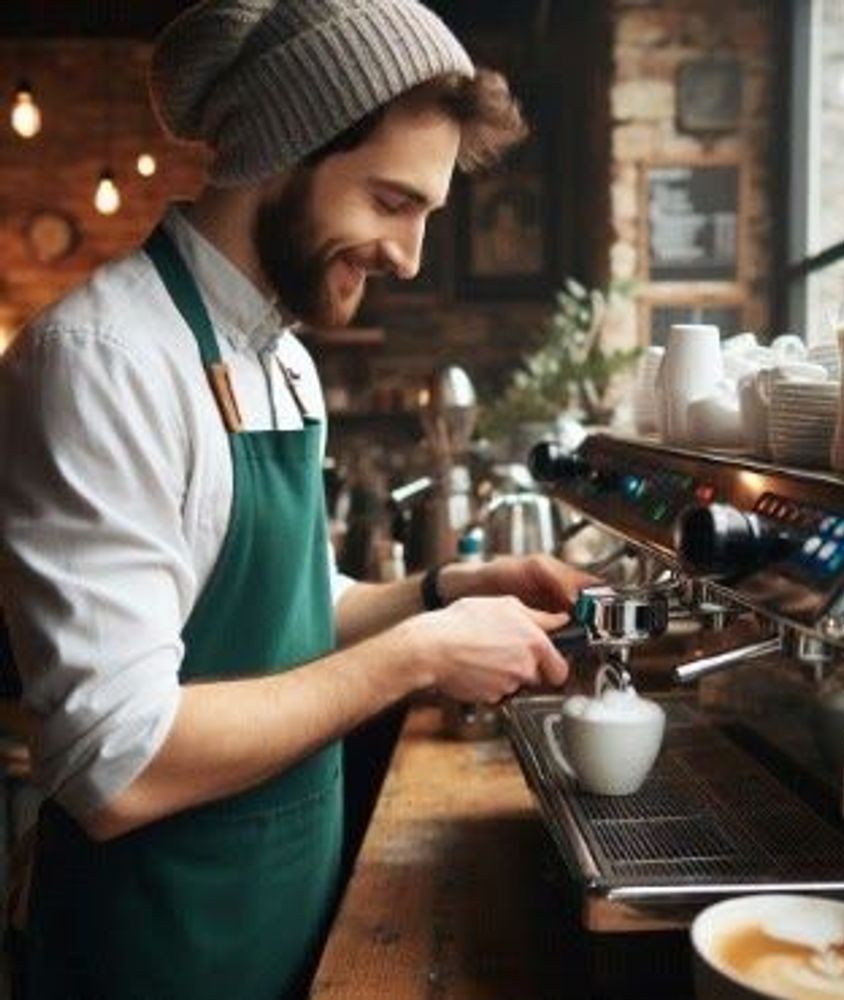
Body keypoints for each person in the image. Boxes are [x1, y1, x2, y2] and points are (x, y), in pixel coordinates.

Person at [0, 2, 594, 997]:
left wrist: (449, 587)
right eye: (390, 202)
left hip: (281, 911)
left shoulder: (282, 356)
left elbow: (291, 603)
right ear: (283, 150)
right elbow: (116, 761)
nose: (407, 256)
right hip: (158, 945)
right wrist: (418, 656)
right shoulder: (103, 362)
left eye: (425, 215)